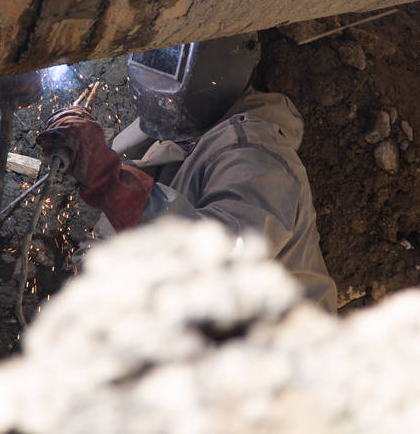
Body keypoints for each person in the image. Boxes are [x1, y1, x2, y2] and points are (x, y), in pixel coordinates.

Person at [37, 34, 338, 313]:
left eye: (166, 59)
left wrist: (109, 181)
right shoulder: (169, 138)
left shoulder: (257, 157)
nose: (154, 69)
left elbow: (217, 262)